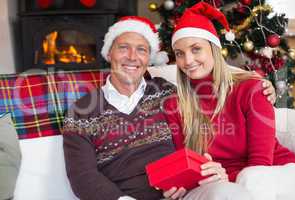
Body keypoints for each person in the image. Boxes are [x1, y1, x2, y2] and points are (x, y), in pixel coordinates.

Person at [62, 15, 276, 200]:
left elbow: (212, 85)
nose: (132, 57)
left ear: (149, 59)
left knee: (228, 194)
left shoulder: (167, 93)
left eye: (141, 50)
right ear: (109, 53)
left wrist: (262, 87)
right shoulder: (80, 112)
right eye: (123, 48)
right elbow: (82, 176)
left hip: (184, 193)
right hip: (123, 197)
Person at [163, 2, 295, 200]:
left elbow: (260, 164)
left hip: (278, 174)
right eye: (180, 54)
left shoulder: (251, 90)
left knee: (252, 180)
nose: (188, 60)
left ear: (213, 49)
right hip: (226, 187)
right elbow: (188, 165)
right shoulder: (175, 104)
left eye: (196, 49)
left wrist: (226, 178)